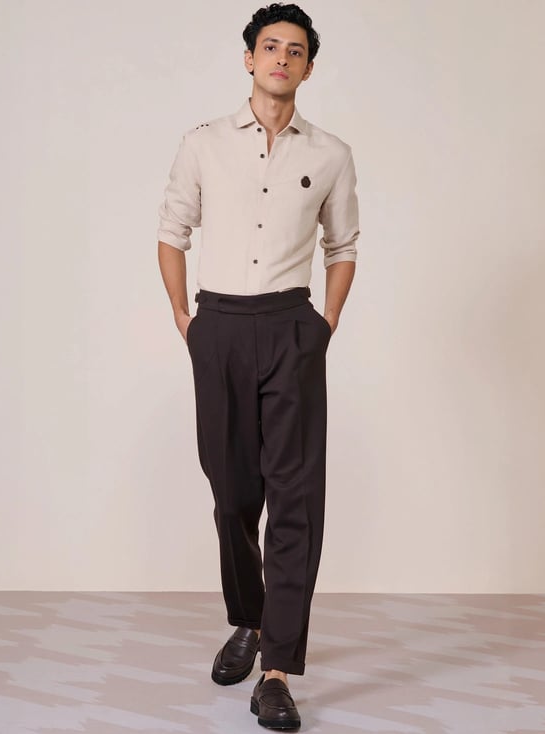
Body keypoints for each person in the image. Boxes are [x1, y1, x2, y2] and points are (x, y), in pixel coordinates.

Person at [157, 3, 359, 729]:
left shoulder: (330, 154)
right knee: (233, 490)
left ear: (308, 67)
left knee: (296, 497)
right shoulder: (203, 143)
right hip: (219, 324)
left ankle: (276, 667)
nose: (281, 58)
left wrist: (323, 327)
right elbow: (172, 231)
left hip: (291, 326)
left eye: (295, 50)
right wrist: (187, 321)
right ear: (249, 59)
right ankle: (248, 616)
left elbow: (343, 247)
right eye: (270, 47)